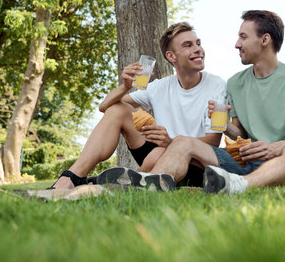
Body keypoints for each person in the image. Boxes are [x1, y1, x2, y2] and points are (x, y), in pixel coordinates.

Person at [137, 10, 285, 194]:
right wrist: (224, 125)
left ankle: (240, 185)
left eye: (243, 37)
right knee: (184, 141)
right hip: (248, 162)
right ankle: (146, 188)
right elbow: (238, 133)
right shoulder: (235, 83)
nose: (236, 44)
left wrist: (272, 149)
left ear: (264, 40)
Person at [49, 22, 226, 190]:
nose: (198, 49)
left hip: (192, 161)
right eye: (188, 45)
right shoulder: (160, 86)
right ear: (171, 56)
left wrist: (173, 142)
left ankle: (120, 182)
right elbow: (106, 107)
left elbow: (214, 141)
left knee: (158, 154)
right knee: (118, 109)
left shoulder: (217, 85)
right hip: (156, 152)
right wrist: (125, 86)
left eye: (198, 43)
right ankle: (73, 176)